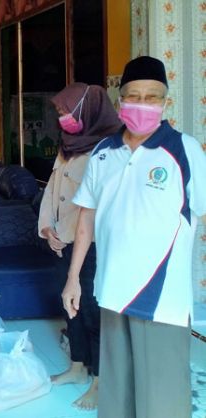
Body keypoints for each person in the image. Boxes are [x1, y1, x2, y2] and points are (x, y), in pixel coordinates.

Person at [64, 56, 206, 418]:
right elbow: (86, 219)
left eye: (153, 97)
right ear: (120, 98)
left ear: (164, 102)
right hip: (112, 290)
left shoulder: (184, 150)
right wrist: (73, 280)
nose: (143, 104)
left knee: (161, 399)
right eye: (134, 95)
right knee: (117, 394)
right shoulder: (102, 153)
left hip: (162, 298)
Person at [39, 82, 122, 410]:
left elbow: (95, 209)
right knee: (70, 307)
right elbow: (52, 191)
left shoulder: (109, 150)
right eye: (59, 113)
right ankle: (77, 367)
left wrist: (69, 232)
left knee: (93, 312)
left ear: (86, 110)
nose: (62, 119)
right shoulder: (69, 145)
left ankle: (101, 381)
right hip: (62, 242)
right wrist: (47, 227)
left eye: (65, 112)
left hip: (94, 245)